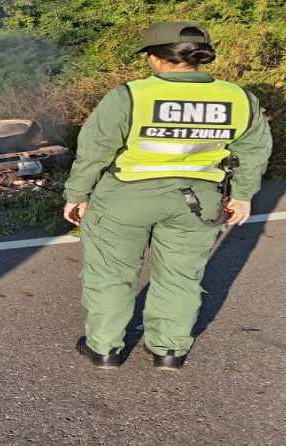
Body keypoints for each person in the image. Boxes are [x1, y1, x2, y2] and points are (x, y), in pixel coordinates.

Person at [62, 21, 273, 370]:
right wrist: (243, 194)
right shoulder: (237, 97)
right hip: (198, 200)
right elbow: (255, 150)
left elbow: (95, 149)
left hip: (126, 196)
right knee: (180, 276)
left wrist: (77, 193)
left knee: (112, 274)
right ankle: (168, 351)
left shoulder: (130, 94)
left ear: (156, 58)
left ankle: (104, 348)